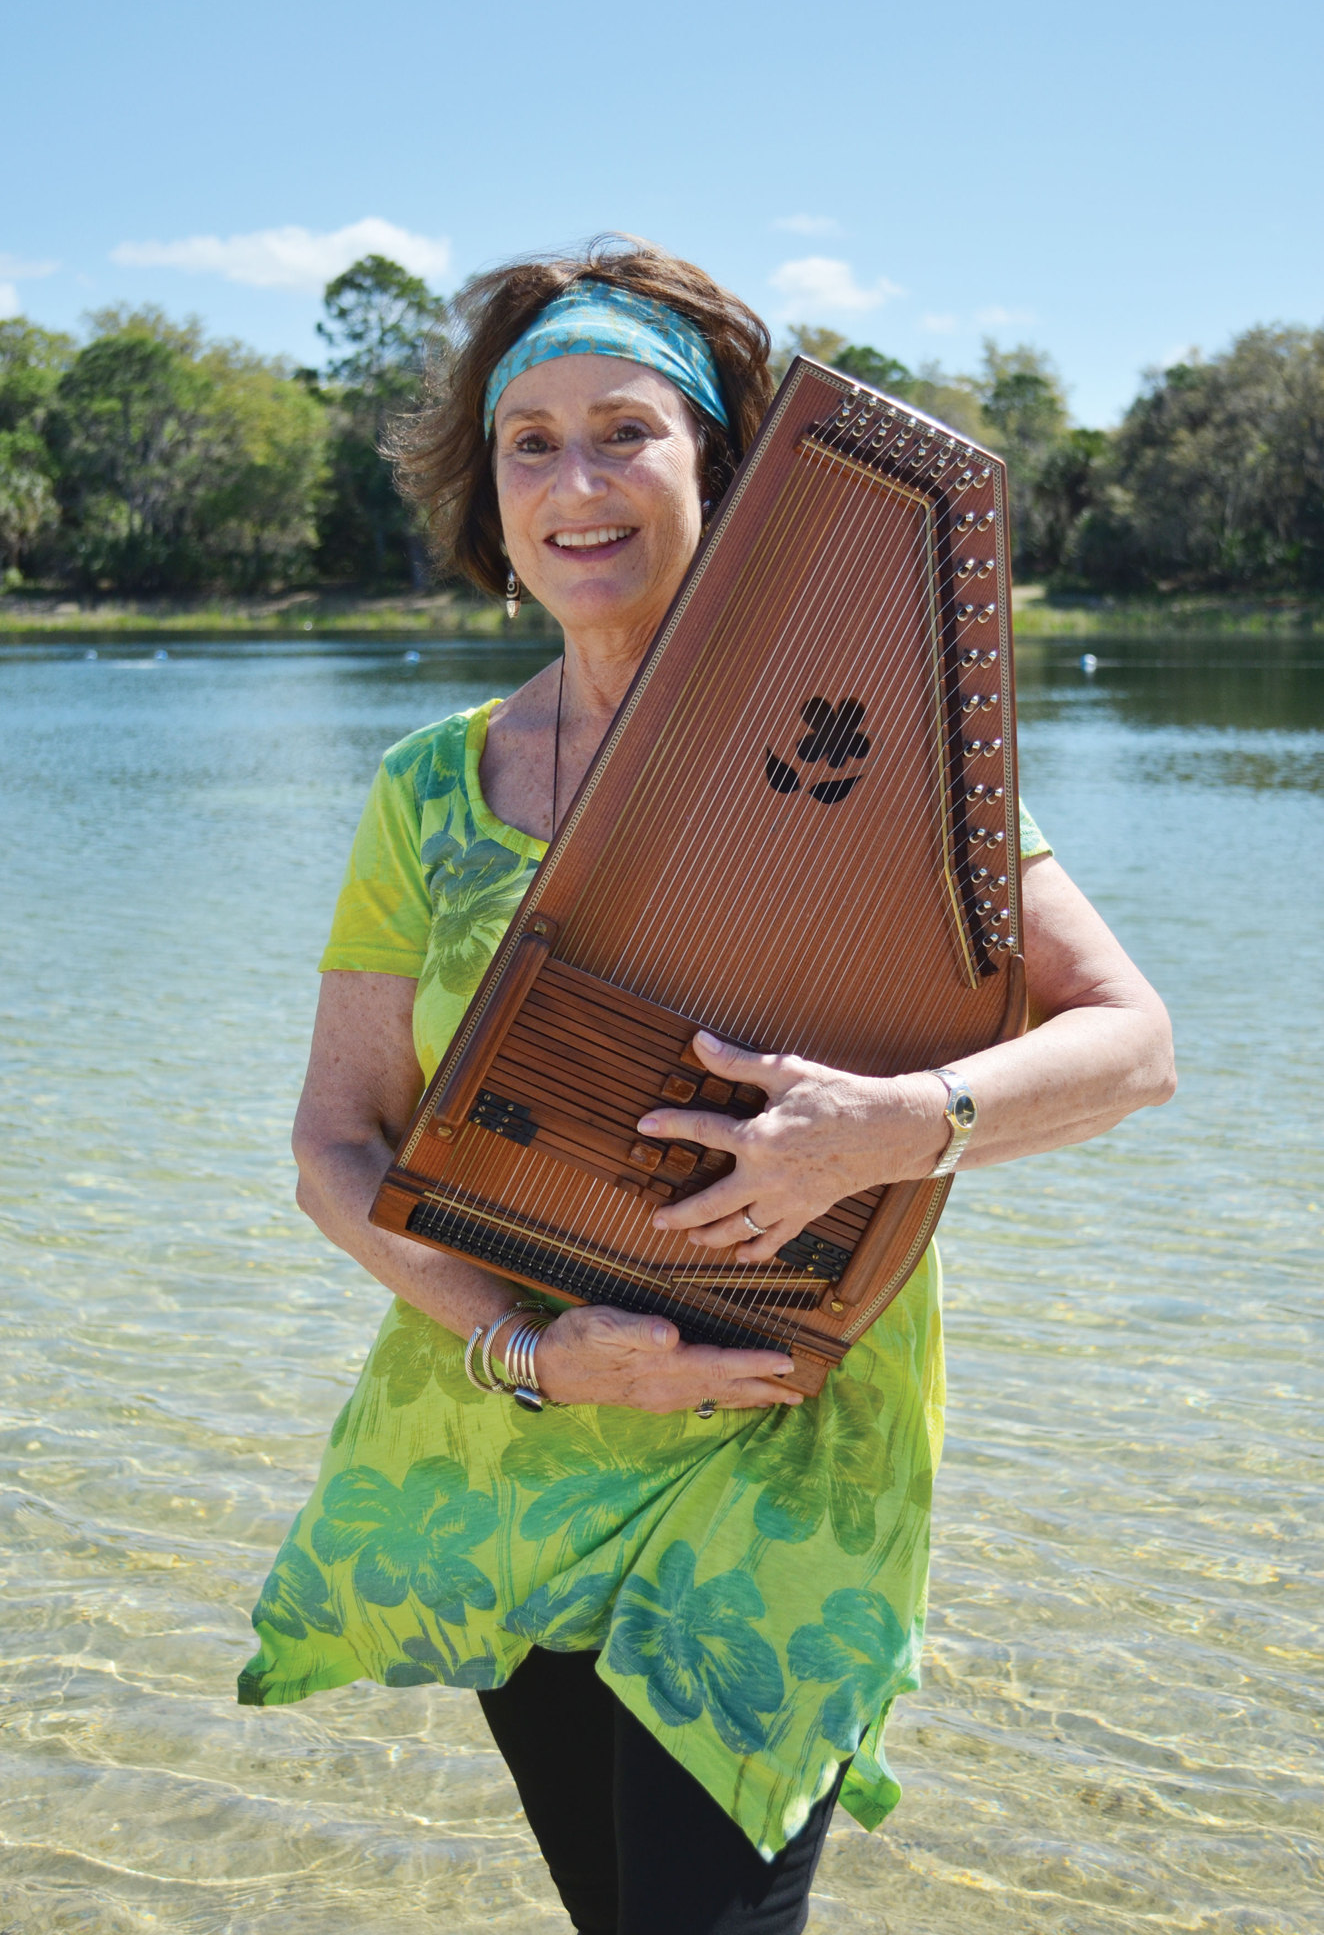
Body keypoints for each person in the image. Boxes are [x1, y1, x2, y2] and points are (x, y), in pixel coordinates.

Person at [238, 237, 1175, 1935]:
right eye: (530, 442)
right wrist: (528, 1349)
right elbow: (334, 1146)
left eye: (625, 430)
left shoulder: (876, 745)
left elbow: (1132, 1040)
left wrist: (896, 1125)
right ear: (490, 494)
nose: (573, 482)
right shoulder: (427, 794)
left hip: (785, 1433)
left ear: (722, 472)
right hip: (518, 1423)